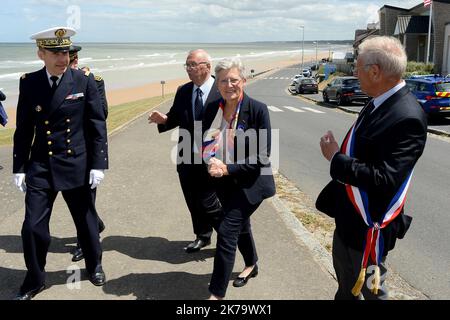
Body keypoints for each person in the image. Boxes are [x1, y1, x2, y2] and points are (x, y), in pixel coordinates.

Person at [316, 36, 427, 300]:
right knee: (346, 288)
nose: (354, 72)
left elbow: (386, 178)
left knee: (372, 292)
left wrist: (336, 159)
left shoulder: (407, 116)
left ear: (375, 71)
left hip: (369, 226)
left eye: (358, 66)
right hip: (348, 220)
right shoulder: (378, 100)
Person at [12, 27, 109, 300]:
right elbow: (23, 128)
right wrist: (19, 167)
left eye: (65, 51)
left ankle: (95, 264)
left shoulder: (83, 81)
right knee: (32, 226)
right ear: (41, 53)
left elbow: (96, 124)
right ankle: (35, 278)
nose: (62, 58)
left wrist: (98, 164)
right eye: (55, 52)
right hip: (41, 165)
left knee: (86, 221)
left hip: (77, 162)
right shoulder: (29, 82)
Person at [203, 57, 276, 300]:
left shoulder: (257, 110)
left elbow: (263, 156)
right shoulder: (216, 108)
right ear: (218, 84)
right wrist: (210, 160)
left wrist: (227, 169)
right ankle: (252, 263)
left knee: (226, 231)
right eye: (223, 80)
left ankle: (216, 294)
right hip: (224, 183)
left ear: (243, 81)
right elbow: (205, 139)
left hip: (252, 183)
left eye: (234, 79)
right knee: (241, 225)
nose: (229, 84)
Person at [148, 49, 221, 253]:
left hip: (215, 156)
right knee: (192, 198)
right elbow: (176, 116)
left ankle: (227, 236)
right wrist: (163, 120)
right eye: (186, 65)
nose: (188, 69)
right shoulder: (183, 90)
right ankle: (202, 235)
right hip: (186, 155)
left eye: (192, 64)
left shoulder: (222, 89)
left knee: (213, 202)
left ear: (207, 66)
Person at [68, 45, 107, 262]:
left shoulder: (93, 80)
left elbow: (102, 113)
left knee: (84, 202)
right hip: (63, 151)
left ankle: (84, 243)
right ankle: (96, 225)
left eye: (71, 60)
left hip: (85, 149)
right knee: (79, 202)